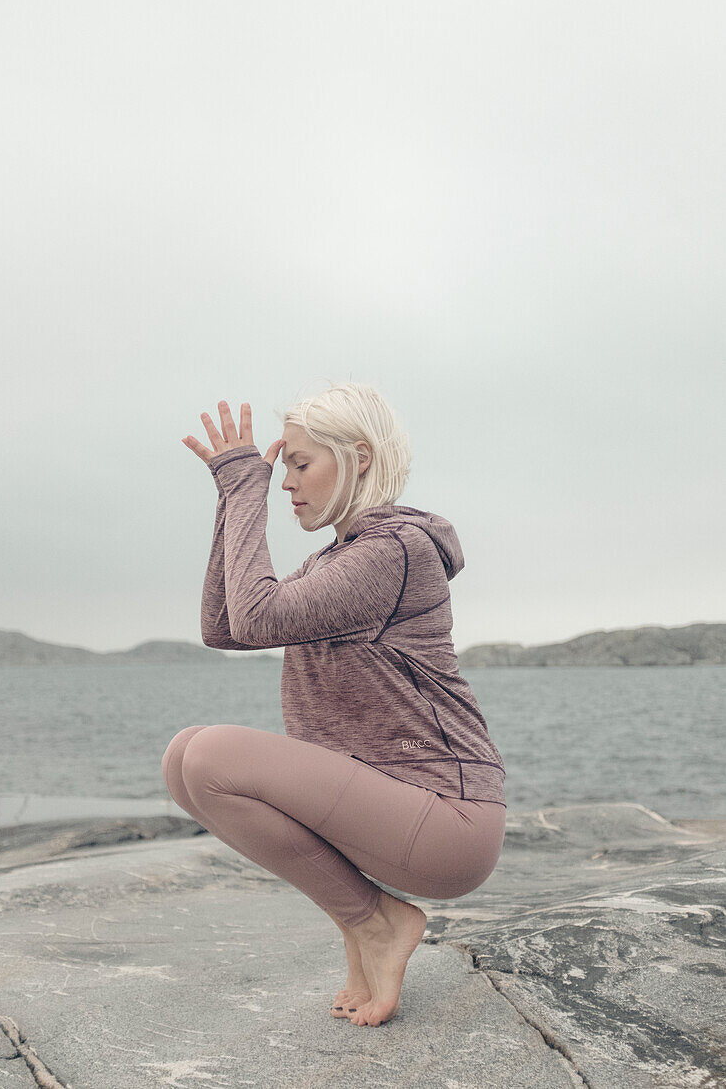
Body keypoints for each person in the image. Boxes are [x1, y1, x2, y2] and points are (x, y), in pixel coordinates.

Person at [162, 380, 506, 1028]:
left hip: (445, 822)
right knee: (183, 759)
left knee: (210, 754)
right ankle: (364, 929)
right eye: (281, 468)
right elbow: (226, 626)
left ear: (359, 456)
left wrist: (244, 488)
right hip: (388, 812)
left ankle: (377, 924)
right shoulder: (337, 559)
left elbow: (257, 617)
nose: (285, 481)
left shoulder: (394, 551)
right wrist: (229, 498)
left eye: (299, 463)